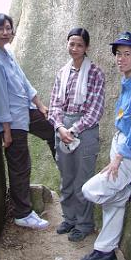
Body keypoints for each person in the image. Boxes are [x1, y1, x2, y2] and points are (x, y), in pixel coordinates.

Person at [79, 32, 131, 260]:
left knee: (91, 190)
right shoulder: (128, 82)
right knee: (114, 202)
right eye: (118, 54)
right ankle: (105, 251)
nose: (121, 59)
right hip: (122, 146)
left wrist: (118, 159)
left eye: (127, 54)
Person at [0, 13, 52, 230]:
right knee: (20, 166)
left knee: (55, 131)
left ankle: (69, 180)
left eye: (8, 28)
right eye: (0, 29)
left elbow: (24, 80)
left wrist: (40, 105)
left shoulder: (6, 53)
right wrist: (6, 131)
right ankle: (23, 213)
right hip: (12, 121)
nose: (5, 32)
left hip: (26, 110)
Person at [49, 28, 105, 242]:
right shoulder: (62, 73)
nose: (75, 49)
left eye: (79, 45)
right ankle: (69, 218)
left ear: (87, 48)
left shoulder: (95, 73)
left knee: (83, 180)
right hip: (62, 127)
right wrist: (60, 127)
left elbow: (95, 111)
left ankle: (84, 224)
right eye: (71, 44)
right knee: (66, 178)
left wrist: (72, 129)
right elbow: (54, 104)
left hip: (85, 131)